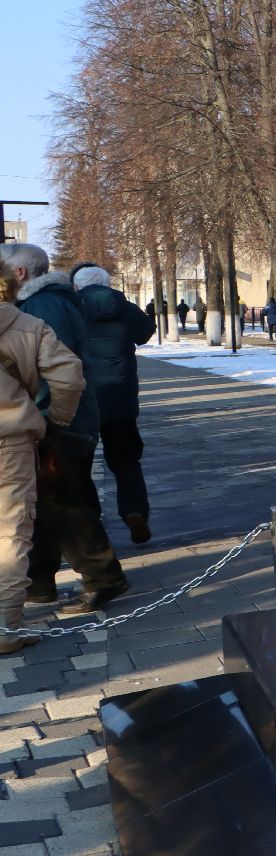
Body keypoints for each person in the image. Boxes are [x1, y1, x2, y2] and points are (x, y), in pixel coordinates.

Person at [0, 244, 129, 613]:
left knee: (63, 501)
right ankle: (39, 582)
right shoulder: (46, 301)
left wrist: (51, 421)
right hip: (53, 419)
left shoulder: (42, 306)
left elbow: (62, 372)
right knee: (44, 500)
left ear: (20, 273)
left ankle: (103, 576)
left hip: (55, 420)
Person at [0, 264, 85, 654]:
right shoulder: (29, 326)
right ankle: (5, 627)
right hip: (10, 442)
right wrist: (57, 421)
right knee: (10, 532)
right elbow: (69, 376)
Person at [72, 266, 157, 544]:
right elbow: (146, 332)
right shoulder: (125, 307)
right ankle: (134, 511)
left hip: (82, 399)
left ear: (77, 285)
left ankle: (91, 523)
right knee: (126, 460)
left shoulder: (71, 307)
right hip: (120, 397)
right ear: (107, 283)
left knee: (80, 465)